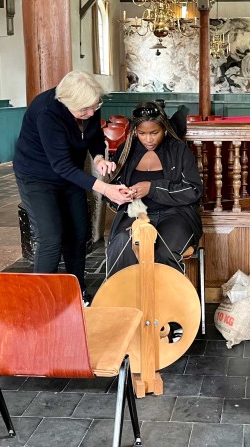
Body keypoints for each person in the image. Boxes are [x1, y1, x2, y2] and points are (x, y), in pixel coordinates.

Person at [13, 71, 132, 304]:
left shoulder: (89, 105)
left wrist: (99, 159)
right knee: (51, 236)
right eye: (84, 110)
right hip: (37, 177)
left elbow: (95, 136)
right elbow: (61, 165)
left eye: (94, 107)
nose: (90, 113)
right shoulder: (47, 112)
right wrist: (105, 189)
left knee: (78, 234)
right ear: (68, 103)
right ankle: (41, 302)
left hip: (70, 176)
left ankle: (75, 292)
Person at [105, 101, 203, 276]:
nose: (148, 139)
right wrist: (121, 193)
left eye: (154, 133)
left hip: (176, 215)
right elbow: (111, 192)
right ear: (135, 131)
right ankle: (122, 301)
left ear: (164, 128)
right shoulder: (126, 150)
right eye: (142, 133)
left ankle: (167, 303)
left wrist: (153, 188)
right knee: (121, 243)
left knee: (164, 252)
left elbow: (193, 190)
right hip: (137, 214)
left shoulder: (178, 150)